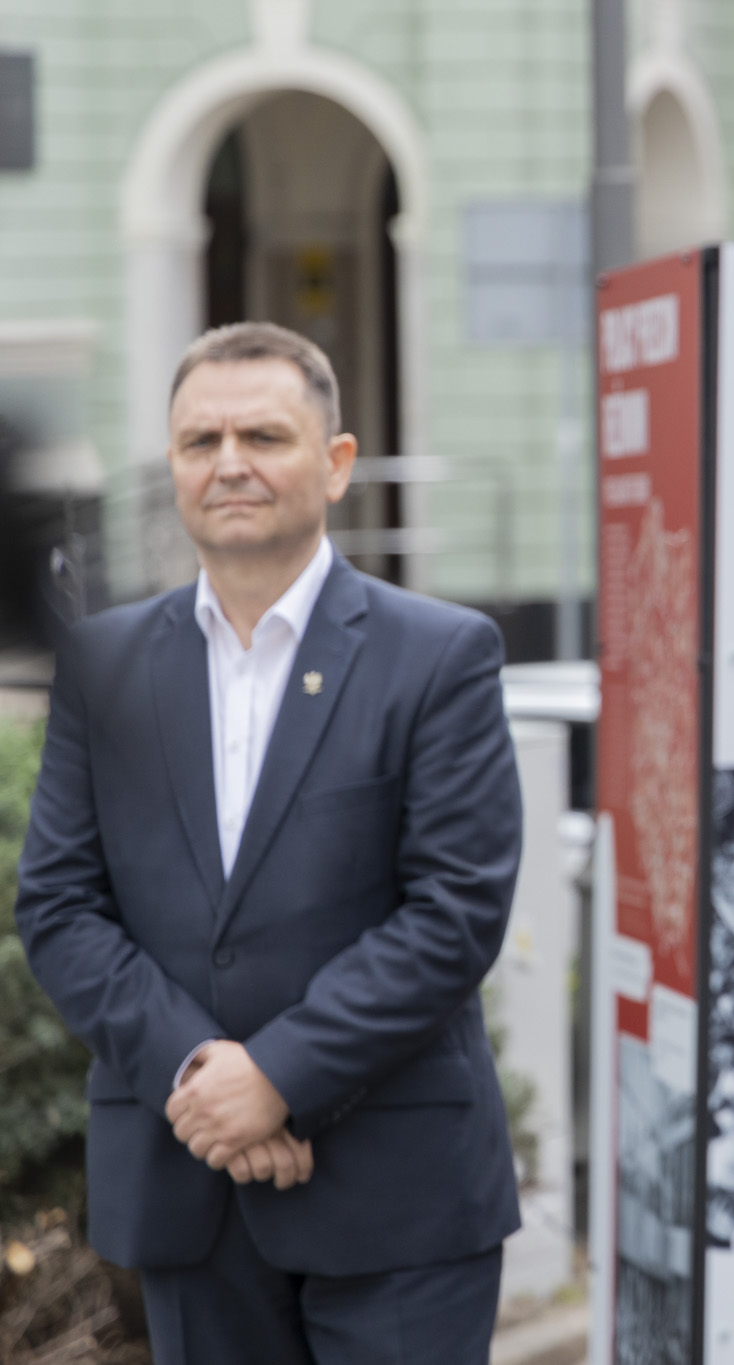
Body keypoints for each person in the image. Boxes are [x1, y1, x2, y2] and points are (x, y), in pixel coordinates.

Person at [16, 322, 523, 1363]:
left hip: (398, 1200)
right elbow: (60, 908)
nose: (229, 463)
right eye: (200, 441)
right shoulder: (103, 666)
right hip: (188, 1182)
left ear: (336, 464)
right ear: (172, 465)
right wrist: (204, 1073)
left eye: (263, 436)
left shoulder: (441, 656)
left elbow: (454, 911)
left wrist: (280, 1075)